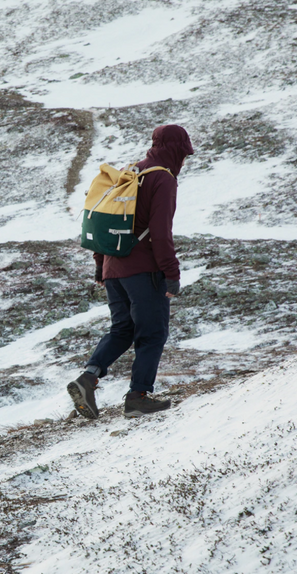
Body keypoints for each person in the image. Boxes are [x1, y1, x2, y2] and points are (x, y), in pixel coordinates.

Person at [67, 125, 193, 419]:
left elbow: (103, 224)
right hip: (143, 271)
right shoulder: (162, 178)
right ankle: (138, 396)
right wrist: (171, 273)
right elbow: (161, 233)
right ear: (176, 150)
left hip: (114, 269)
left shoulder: (130, 173)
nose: (185, 161)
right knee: (152, 333)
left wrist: (101, 265)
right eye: (185, 154)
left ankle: (88, 377)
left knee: (123, 329)